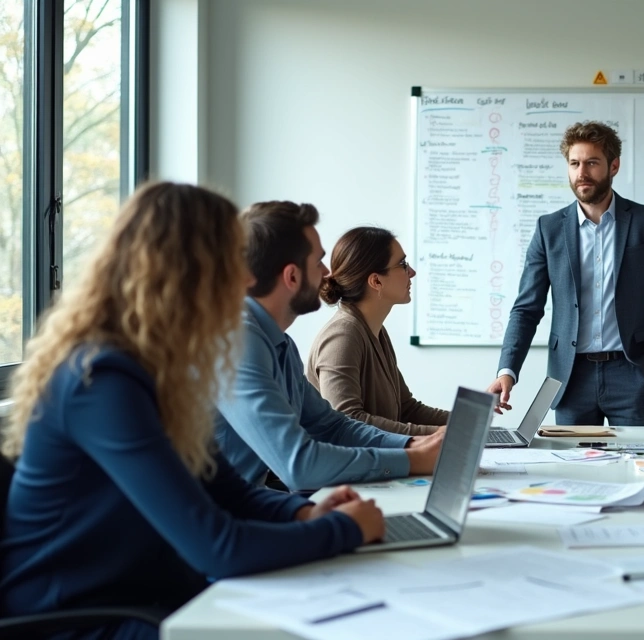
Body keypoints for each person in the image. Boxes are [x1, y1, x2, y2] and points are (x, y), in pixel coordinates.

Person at [0, 183, 384, 640]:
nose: (246, 281)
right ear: (189, 274)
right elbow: (218, 547)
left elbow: (229, 492)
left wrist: (303, 515)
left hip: (147, 591)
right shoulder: (99, 380)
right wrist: (342, 531)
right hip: (81, 617)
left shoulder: (162, 370)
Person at [214, 202, 444, 492]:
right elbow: (299, 464)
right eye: (318, 262)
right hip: (219, 519)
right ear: (292, 276)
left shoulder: (280, 344)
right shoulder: (239, 343)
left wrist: (415, 445)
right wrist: (411, 460)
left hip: (253, 505)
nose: (327, 273)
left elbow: (332, 425)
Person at [487, 121, 644, 426]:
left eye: (592, 163)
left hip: (632, 374)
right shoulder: (549, 229)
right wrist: (507, 371)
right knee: (571, 471)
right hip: (569, 378)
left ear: (614, 166)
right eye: (574, 163)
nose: (582, 173)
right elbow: (526, 309)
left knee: (639, 469)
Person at [308, 226, 447, 436]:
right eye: (403, 265)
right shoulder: (343, 336)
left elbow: (407, 409)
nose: (412, 272)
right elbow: (348, 420)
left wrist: (468, 422)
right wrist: (441, 435)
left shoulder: (375, 331)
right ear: (376, 281)